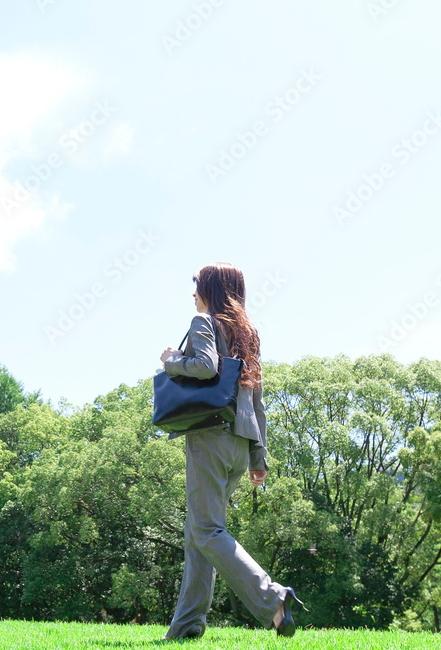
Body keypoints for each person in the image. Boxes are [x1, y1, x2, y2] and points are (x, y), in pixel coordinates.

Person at [159, 262, 303, 639]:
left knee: (206, 530)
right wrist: (259, 458)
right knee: (199, 534)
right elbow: (256, 401)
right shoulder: (247, 334)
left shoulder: (203, 322)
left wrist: (170, 359)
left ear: (211, 290)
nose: (193, 294)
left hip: (209, 437)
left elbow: (204, 367)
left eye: (198, 287)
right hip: (240, 443)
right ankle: (187, 627)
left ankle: (274, 599)